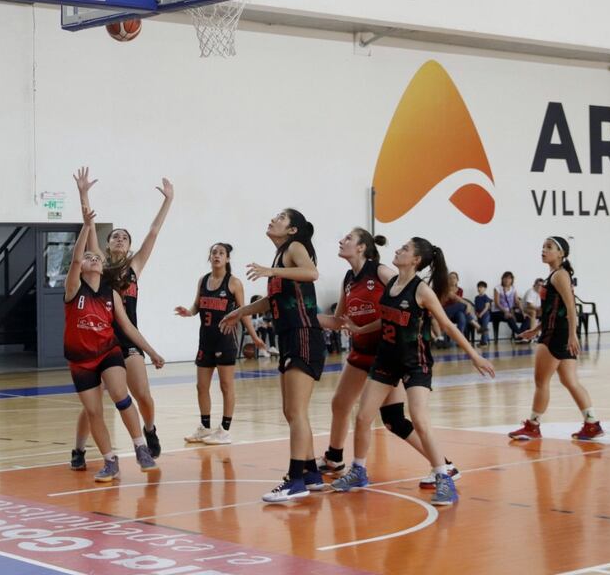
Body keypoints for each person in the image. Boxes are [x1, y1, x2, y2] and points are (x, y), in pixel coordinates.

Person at [332, 238, 495, 506]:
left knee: (419, 418)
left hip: (414, 362)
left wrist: (474, 355)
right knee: (362, 417)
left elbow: (449, 326)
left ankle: (444, 476)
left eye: (405, 249)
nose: (398, 250)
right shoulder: (392, 283)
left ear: (416, 260)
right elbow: (385, 316)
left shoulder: (421, 290)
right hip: (386, 359)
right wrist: (360, 330)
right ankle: (358, 471)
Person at [316, 229, 461, 490]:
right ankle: (335, 458)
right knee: (341, 404)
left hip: (386, 353)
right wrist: (304, 318)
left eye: (348, 238)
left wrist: (418, 329)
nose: (341, 241)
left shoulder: (382, 272)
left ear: (361, 247)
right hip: (361, 350)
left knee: (393, 419)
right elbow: (339, 321)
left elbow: (407, 298)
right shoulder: (349, 279)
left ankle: (444, 465)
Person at [221, 209, 326, 503]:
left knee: (296, 412)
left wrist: (272, 272)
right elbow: (273, 300)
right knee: (291, 412)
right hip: (290, 335)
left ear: (292, 230)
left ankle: (295, 481)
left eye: (280, 217)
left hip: (303, 333)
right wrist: (240, 312)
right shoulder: (280, 257)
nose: (272, 219)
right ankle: (311, 474)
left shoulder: (294, 248)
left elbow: (312, 273)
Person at [71, 167, 172, 461]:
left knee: (142, 396)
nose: (119, 239)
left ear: (129, 246)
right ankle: (78, 448)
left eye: (124, 238)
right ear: (106, 244)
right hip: (100, 342)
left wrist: (168, 201)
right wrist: (83, 193)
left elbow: (153, 232)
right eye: (114, 236)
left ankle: (149, 429)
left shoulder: (134, 267)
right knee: (93, 404)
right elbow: (88, 226)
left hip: (127, 339)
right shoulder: (97, 265)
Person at [509, 237, 603, 441]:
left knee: (541, 382)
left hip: (556, 334)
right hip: (556, 330)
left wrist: (572, 336)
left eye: (549, 247)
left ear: (561, 253)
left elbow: (570, 307)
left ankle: (533, 426)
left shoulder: (560, 275)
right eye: (543, 246)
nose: (543, 250)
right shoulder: (555, 274)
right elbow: (555, 309)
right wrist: (536, 329)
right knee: (570, 381)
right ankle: (592, 423)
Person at [175, 243, 264, 445]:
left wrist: (254, 336)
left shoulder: (234, 283)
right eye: (214, 252)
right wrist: (188, 312)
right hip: (205, 340)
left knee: (226, 386)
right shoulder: (203, 280)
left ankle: (224, 430)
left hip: (225, 341)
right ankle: (205, 428)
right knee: (201, 386)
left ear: (227, 259)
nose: (217, 256)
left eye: (221, 253)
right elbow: (197, 305)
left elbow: (244, 312)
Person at [493, 271, 527, 339]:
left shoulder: (513, 288)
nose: (507, 280)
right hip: (498, 311)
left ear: (512, 280)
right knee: (510, 317)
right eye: (505, 278)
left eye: (509, 278)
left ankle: (519, 336)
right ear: (502, 279)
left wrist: (523, 312)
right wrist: (505, 312)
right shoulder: (498, 288)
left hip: (510, 311)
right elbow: (497, 303)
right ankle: (521, 335)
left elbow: (517, 301)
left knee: (527, 318)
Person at [474, 282, 493, 347]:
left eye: (481, 287)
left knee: (484, 327)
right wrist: (476, 313)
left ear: (485, 289)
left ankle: (484, 342)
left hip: (485, 315)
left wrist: (481, 314)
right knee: (481, 328)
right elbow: (475, 307)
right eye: (478, 287)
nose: (479, 288)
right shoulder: (476, 297)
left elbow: (486, 307)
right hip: (479, 315)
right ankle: (486, 340)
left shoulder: (486, 297)